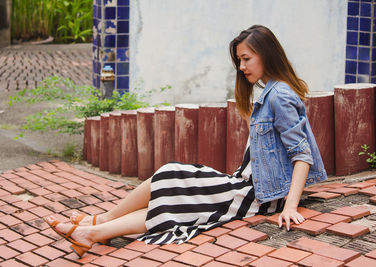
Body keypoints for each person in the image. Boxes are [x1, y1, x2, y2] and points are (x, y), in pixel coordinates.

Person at [45, 24, 327, 258]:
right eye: (239, 60)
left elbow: (301, 154)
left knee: (177, 196)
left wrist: (290, 206)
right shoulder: (270, 93)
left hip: (260, 197)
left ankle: (93, 230)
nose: (241, 66)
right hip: (245, 184)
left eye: (246, 58)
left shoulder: (280, 96)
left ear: (266, 55)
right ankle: (99, 225)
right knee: (171, 177)